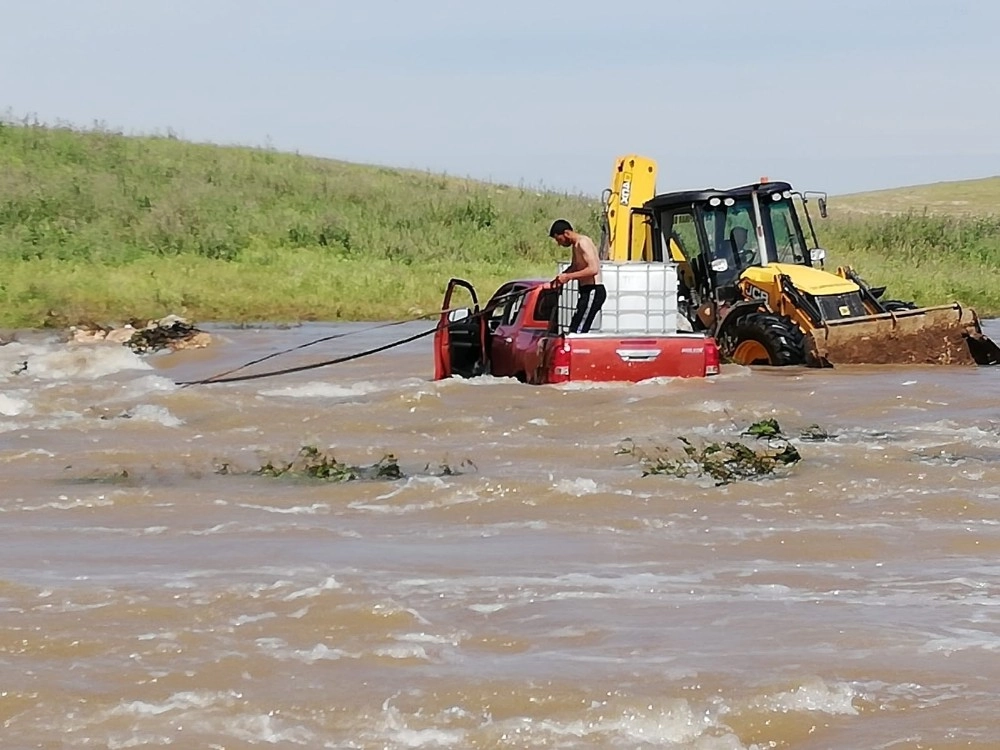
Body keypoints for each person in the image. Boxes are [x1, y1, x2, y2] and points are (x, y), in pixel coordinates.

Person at [549, 219, 607, 333]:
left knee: (579, 330)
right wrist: (561, 277)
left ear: (566, 233)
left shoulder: (583, 243)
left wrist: (569, 277)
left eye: (559, 239)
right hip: (586, 291)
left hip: (593, 291)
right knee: (575, 327)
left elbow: (593, 269)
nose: (559, 244)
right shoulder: (575, 246)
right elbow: (575, 266)